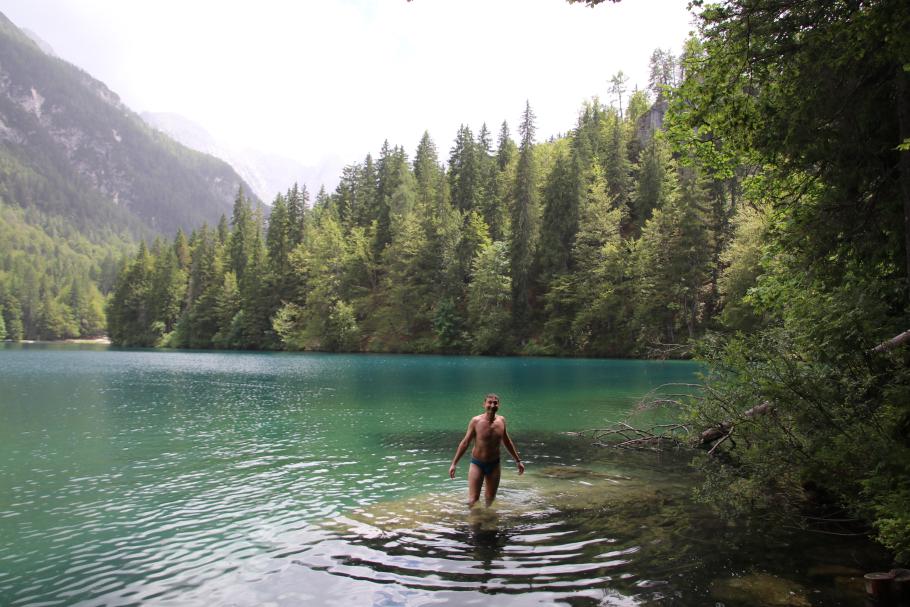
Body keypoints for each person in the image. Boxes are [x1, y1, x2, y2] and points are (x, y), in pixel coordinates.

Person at [449, 393, 525, 507]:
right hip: (477, 464)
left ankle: (489, 523)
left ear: (499, 405)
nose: (492, 405)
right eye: (489, 402)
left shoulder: (501, 421)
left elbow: (507, 441)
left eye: (495, 403)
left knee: (490, 500)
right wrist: (454, 464)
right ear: (484, 404)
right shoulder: (476, 421)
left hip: (494, 464)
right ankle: (474, 524)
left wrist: (518, 461)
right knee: (473, 501)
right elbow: (465, 442)